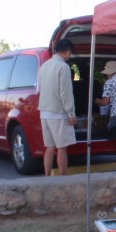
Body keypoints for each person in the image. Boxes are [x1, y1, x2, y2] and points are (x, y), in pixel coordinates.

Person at [38, 38, 77, 177]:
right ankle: (62, 178)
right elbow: (65, 93)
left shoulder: (44, 66)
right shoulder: (63, 67)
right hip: (58, 113)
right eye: (70, 53)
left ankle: (47, 176)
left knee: (49, 147)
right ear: (67, 51)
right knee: (62, 148)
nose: (69, 56)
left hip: (44, 112)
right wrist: (71, 114)